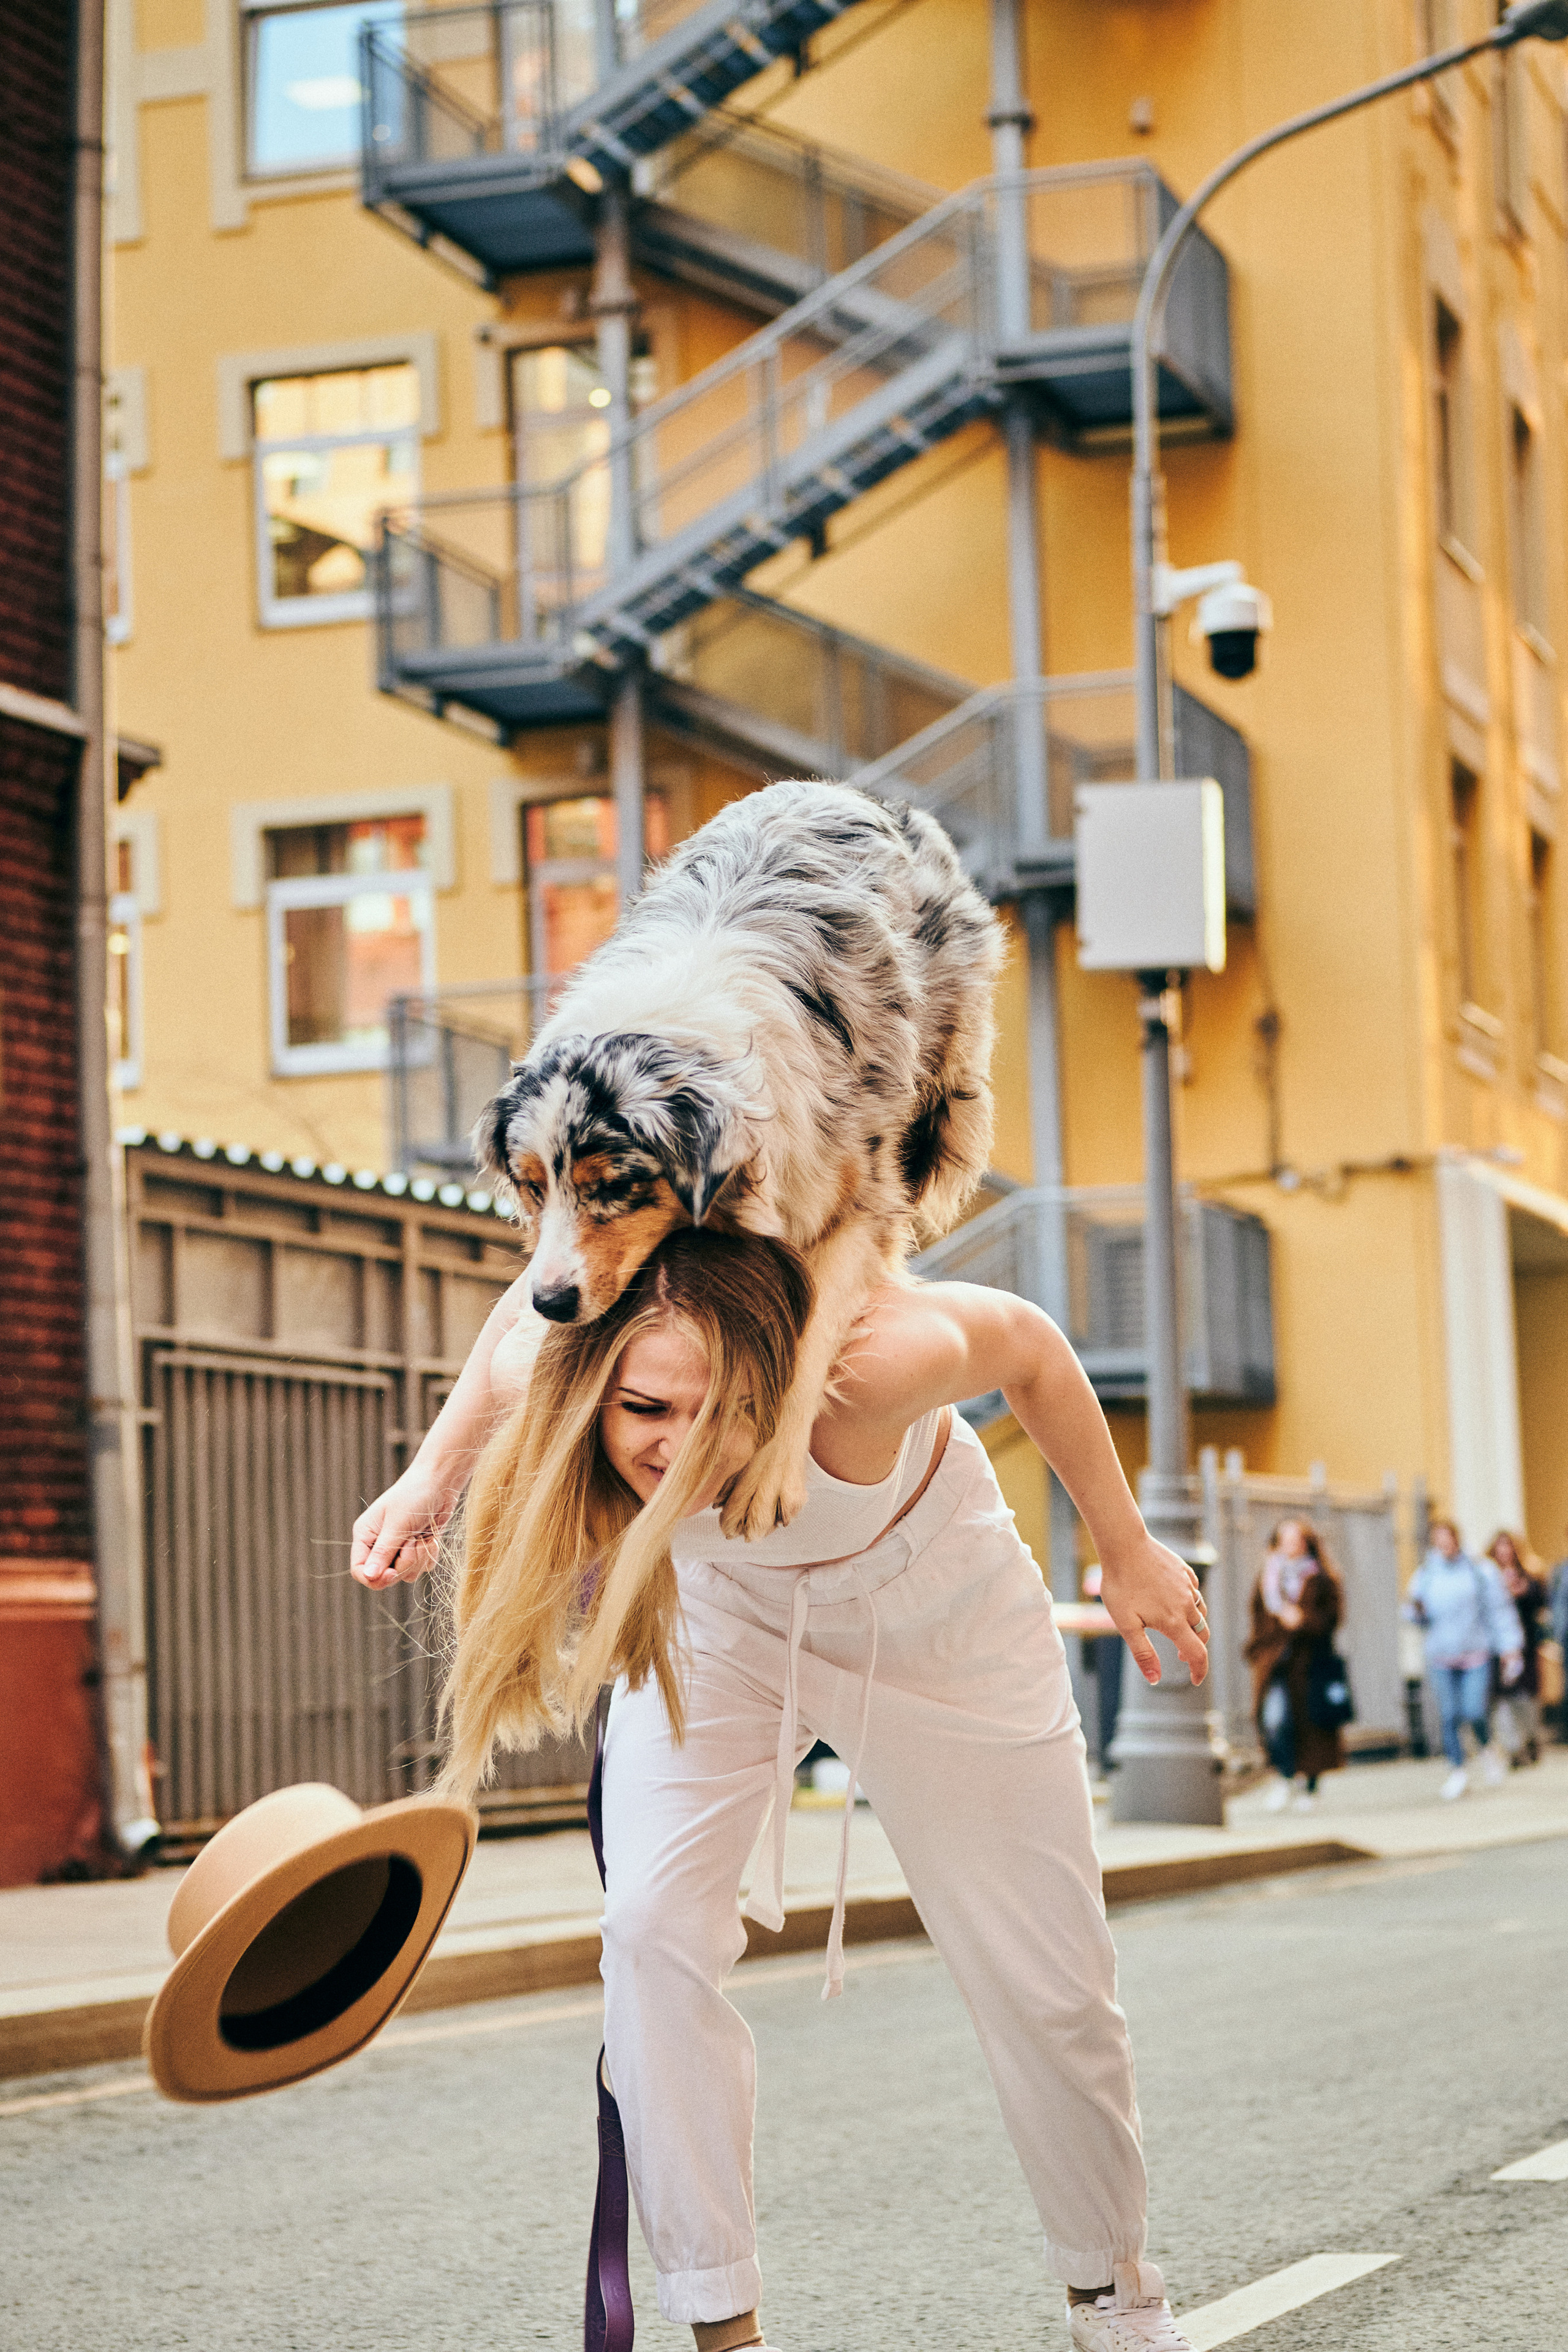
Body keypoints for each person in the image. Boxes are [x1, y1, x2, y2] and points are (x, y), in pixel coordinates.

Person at [353, 1229, 1212, 2352]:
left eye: (714, 1411)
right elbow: (518, 1321)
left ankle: (1116, 2298)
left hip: (938, 1599)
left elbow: (1033, 1347)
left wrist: (1128, 1545)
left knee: (1048, 1977)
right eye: (645, 1411)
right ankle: (722, 2324)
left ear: (774, 1383)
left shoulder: (871, 1367)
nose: (675, 1446)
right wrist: (428, 1480)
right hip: (725, 1615)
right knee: (651, 1930)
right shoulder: (564, 1362)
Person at [1403, 1517, 1525, 1801]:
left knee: (1474, 1711)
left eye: (1448, 1537)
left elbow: (1499, 1611)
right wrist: (1416, 1611)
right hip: (1441, 1655)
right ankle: (1458, 1771)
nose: (1444, 1544)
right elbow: (1412, 1613)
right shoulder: (1427, 1573)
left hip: (1475, 1653)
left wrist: (1510, 1647)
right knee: (1449, 1715)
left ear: (1457, 1538)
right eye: (1439, 1539)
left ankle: (1486, 1748)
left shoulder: (1479, 1570)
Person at [1242, 1518, 1346, 1812]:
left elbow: (1332, 1618)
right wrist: (1261, 1648)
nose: (1290, 1546)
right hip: (1275, 1665)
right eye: (1284, 1540)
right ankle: (1284, 1776)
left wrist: (1304, 1621)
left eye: (1296, 1540)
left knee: (1312, 1723)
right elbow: (1257, 1618)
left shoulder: (1321, 1577)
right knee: (1273, 1721)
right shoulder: (1268, 1578)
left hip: (1311, 1663)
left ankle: (1309, 1784)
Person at [1485, 1532, 1547, 1766]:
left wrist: (1524, 1591)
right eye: (1499, 1547)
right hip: (1497, 1649)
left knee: (1526, 1698)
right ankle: (1514, 1747)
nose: (1504, 1552)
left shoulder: (1529, 1577)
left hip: (1526, 1647)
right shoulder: (1488, 1577)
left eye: (1508, 1547)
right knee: (1502, 1699)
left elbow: (1540, 1602)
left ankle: (1531, 1738)